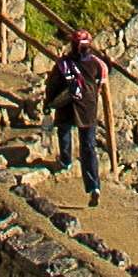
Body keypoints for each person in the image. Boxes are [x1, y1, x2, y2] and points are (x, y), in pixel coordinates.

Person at [46, 26, 113, 206]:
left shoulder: (63, 64)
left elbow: (53, 84)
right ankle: (94, 187)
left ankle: (65, 160)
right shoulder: (98, 64)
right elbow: (101, 83)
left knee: (63, 129)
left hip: (68, 105)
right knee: (88, 147)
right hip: (88, 109)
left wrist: (48, 101)